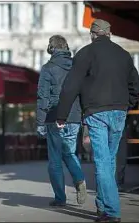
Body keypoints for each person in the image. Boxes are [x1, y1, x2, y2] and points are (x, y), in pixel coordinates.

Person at [56, 19, 139, 222]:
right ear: (109, 34)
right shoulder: (124, 55)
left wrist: (62, 116)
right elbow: (136, 88)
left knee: (103, 161)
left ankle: (112, 212)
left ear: (93, 34)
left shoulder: (85, 54)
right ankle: (103, 206)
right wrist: (127, 104)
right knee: (109, 160)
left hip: (96, 113)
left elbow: (71, 87)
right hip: (119, 112)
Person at [36, 35, 87, 207]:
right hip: (74, 117)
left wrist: (40, 122)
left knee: (55, 159)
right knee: (70, 153)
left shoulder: (48, 68)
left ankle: (60, 198)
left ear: (51, 49)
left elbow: (43, 97)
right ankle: (79, 179)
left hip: (53, 117)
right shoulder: (76, 67)